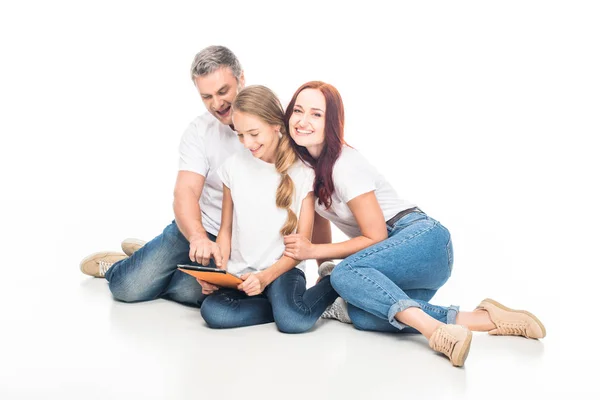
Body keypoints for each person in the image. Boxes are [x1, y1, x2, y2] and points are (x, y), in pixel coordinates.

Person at [281, 81, 546, 366]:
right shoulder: (309, 168)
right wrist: (322, 268)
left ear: (331, 122)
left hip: (423, 241)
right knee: (364, 316)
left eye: (316, 114)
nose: (303, 121)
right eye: (298, 111)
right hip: (393, 260)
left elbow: (376, 235)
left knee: (345, 274)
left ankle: (436, 333)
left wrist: (316, 257)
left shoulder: (345, 165)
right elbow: (323, 230)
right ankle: (487, 320)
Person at [79, 46, 245, 307]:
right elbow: (185, 192)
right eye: (206, 96)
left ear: (241, 79)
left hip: (241, 243)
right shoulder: (199, 131)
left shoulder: (271, 121)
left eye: (223, 91)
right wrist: (198, 237)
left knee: (193, 294)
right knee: (127, 287)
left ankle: (149, 260)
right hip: (200, 229)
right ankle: (126, 266)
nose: (217, 103)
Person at [197, 85, 338, 333]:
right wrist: (217, 273)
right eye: (240, 135)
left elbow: (300, 247)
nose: (246, 143)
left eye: (253, 133)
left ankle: (333, 284)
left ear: (275, 125)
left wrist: (265, 278)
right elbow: (226, 230)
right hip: (241, 274)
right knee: (213, 311)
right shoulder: (232, 167)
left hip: (283, 271)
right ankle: (276, 306)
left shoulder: (303, 172)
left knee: (294, 322)